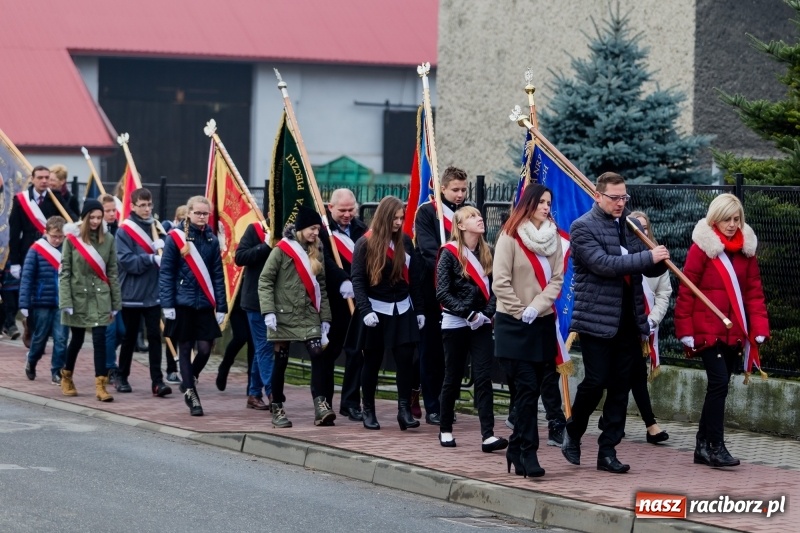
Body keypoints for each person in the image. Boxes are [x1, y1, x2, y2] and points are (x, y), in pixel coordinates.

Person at [561, 172, 669, 474]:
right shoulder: (582, 227)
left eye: (624, 198)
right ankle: (574, 429)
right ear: (598, 196)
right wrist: (648, 257)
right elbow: (605, 265)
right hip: (597, 319)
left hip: (628, 319)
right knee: (596, 381)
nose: (621, 203)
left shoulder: (631, 227)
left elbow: (642, 271)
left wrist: (657, 262)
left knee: (621, 387)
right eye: (614, 198)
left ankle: (607, 451)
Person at [674, 193, 769, 468]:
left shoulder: (746, 251)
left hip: (733, 332)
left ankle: (702, 446)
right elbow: (687, 291)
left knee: (720, 386)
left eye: (736, 219)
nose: (731, 224)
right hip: (706, 330)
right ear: (715, 219)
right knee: (718, 384)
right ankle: (716, 447)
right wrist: (685, 330)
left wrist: (759, 328)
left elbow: (754, 294)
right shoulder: (701, 249)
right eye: (727, 219)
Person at [492, 184, 564, 478]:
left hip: (542, 321)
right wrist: (522, 311)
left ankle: (515, 448)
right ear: (529, 204)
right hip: (513, 322)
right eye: (541, 202)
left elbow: (557, 279)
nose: (547, 207)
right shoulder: (509, 236)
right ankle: (528, 451)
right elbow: (500, 282)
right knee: (526, 389)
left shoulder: (554, 238)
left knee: (530, 392)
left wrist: (538, 306)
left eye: (549, 202)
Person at [436, 205, 506, 452]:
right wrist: (468, 313)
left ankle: (488, 435)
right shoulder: (449, 253)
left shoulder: (489, 252)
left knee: (484, 377)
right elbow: (442, 292)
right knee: (453, 377)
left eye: (479, 215)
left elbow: (497, 288)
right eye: (472, 216)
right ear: (461, 226)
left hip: (482, 325)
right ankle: (445, 429)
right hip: (455, 324)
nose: (480, 219)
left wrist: (485, 315)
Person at [351, 196, 424, 431]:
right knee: (372, 361)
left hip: (402, 307)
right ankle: (368, 410)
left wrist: (419, 310)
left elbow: (413, 280)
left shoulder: (404, 241)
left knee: (406, 359)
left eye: (402, 218)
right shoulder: (365, 243)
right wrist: (365, 310)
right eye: (395, 217)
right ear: (384, 216)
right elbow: (358, 280)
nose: (399, 222)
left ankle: (404, 411)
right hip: (376, 308)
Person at [258, 206, 334, 427]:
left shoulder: (317, 250)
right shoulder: (281, 250)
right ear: (301, 228)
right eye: (312, 228)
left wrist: (326, 319)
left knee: (317, 353)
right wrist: (268, 311)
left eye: (318, 229)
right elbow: (265, 281)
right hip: (282, 314)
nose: (315, 233)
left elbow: (322, 287)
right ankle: (277, 406)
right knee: (281, 362)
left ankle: (320, 404)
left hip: (308, 314)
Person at [160, 196, 228, 416]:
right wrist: (168, 304)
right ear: (188, 213)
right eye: (198, 213)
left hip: (205, 303)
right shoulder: (176, 238)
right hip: (183, 303)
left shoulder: (212, 239)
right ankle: (191, 394)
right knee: (186, 347)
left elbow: (218, 275)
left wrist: (221, 306)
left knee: (206, 348)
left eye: (205, 213)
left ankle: (191, 378)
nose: (202, 217)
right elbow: (167, 273)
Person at [414, 166, 470, 424]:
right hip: (434, 289)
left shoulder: (467, 213)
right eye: (455, 189)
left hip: (463, 291)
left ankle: (448, 403)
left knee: (455, 353)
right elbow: (428, 251)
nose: (460, 194)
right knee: (433, 351)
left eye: (463, 189)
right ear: (442, 188)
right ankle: (432, 405)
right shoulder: (427, 213)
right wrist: (452, 270)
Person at [58, 199, 122, 401]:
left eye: (99, 217)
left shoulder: (109, 239)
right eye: (92, 217)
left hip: (101, 297)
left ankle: (101, 386)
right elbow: (65, 272)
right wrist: (65, 301)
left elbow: (112, 272)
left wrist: (115, 304)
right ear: (84, 217)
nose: (95, 221)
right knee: (76, 340)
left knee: (100, 340)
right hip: (78, 298)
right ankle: (66, 376)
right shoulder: (72, 239)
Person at [115, 188, 174, 398]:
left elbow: (169, 258)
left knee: (155, 337)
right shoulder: (124, 231)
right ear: (132, 206)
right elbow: (125, 261)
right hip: (131, 293)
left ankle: (157, 382)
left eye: (149, 205)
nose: (147, 209)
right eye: (142, 205)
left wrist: (165, 248)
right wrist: (150, 258)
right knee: (129, 337)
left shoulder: (156, 227)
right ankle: (121, 376)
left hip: (153, 291)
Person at [8, 166, 77, 340]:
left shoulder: (56, 198)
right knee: (30, 292)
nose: (44, 181)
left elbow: (71, 218)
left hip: (51, 252)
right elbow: (14, 233)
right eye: (40, 177)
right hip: (29, 252)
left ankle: (42, 330)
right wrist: (15, 261)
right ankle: (31, 327)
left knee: (45, 291)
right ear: (32, 179)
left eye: (47, 177)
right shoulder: (21, 200)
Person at [320, 188, 368, 421]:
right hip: (332, 300)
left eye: (351, 209)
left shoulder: (361, 229)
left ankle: (350, 403)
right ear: (331, 208)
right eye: (342, 210)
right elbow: (323, 260)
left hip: (356, 299)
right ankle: (324, 403)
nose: (348, 214)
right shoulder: (322, 230)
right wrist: (341, 279)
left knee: (356, 353)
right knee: (329, 353)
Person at [628, 210, 670, 443]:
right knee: (625, 375)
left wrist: (652, 320)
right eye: (635, 227)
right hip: (625, 325)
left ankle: (650, 425)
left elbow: (664, 294)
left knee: (636, 374)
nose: (640, 231)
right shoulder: (623, 253)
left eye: (644, 228)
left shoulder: (656, 256)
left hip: (646, 326)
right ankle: (647, 424)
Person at [20, 216, 68, 385]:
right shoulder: (36, 250)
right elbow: (27, 278)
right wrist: (24, 304)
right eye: (54, 236)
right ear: (45, 232)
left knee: (61, 338)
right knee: (39, 338)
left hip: (62, 302)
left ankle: (57, 371)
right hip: (41, 302)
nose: (56, 240)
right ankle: (32, 361)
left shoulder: (68, 250)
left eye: (60, 236)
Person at [235, 220, 274, 412]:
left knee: (264, 348)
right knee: (265, 346)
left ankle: (253, 393)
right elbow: (240, 257)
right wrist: (264, 246)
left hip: (278, 301)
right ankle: (273, 392)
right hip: (256, 300)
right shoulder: (255, 229)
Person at [100, 194, 122, 383]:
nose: (112, 214)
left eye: (114, 210)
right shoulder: (96, 233)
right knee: (111, 329)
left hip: (118, 288)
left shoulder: (119, 230)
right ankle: (109, 366)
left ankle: (104, 354)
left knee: (122, 331)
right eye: (107, 210)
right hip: (102, 289)